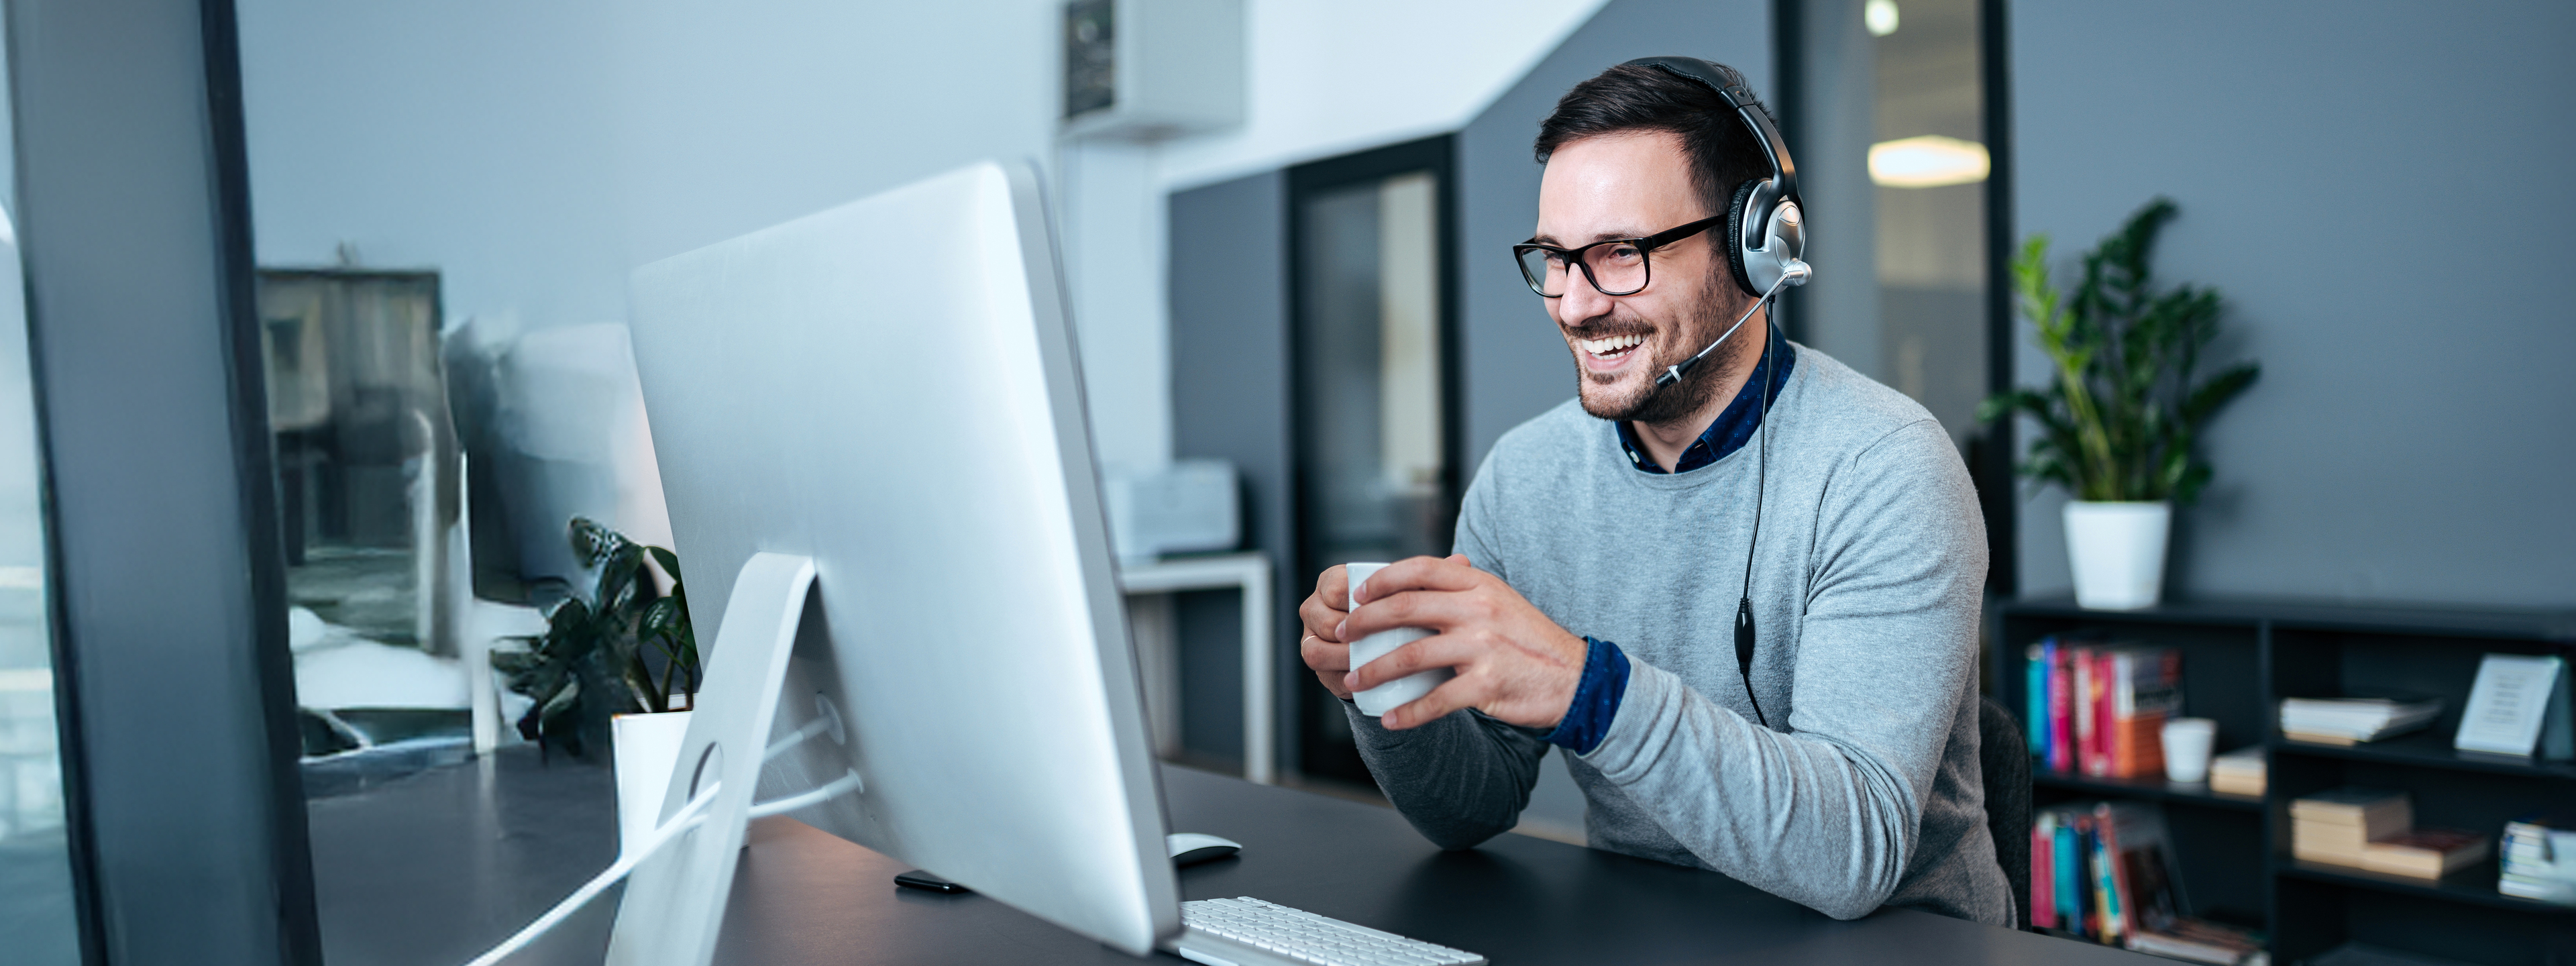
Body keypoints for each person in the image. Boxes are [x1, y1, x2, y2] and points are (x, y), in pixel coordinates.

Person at [1295, 60, 2009, 925]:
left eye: (1618, 256)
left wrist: (1588, 690)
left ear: (1754, 247)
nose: (1574, 303)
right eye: (1555, 259)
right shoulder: (1523, 480)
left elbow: (1854, 854)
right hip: (1649, 932)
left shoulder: (1886, 469)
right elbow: (1470, 809)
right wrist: (1386, 687)